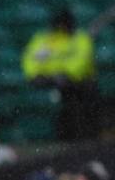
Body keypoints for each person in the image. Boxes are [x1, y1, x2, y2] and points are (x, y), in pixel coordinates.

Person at [22, 8, 96, 140]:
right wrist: (37, 75)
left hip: (74, 85)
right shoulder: (43, 40)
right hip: (46, 82)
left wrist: (65, 74)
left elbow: (82, 60)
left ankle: (74, 139)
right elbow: (30, 60)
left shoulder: (80, 38)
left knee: (74, 102)